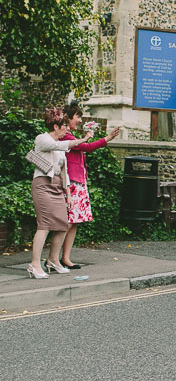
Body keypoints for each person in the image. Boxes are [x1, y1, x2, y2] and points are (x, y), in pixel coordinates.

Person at [28, 107, 93, 279]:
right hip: (42, 186)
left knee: (64, 223)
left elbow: (64, 171)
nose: (66, 128)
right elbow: (60, 145)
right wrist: (83, 139)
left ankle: (52, 261)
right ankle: (34, 265)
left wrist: (68, 194)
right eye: (63, 125)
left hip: (58, 188)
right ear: (55, 127)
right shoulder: (42, 139)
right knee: (44, 225)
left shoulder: (60, 146)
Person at [59, 103, 120, 269]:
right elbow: (85, 147)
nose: (80, 120)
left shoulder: (71, 135)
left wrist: (88, 136)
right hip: (71, 182)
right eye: (77, 116)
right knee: (68, 221)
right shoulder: (66, 136)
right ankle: (53, 258)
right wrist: (106, 139)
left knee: (75, 220)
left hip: (78, 181)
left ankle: (65, 258)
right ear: (68, 118)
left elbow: (82, 146)